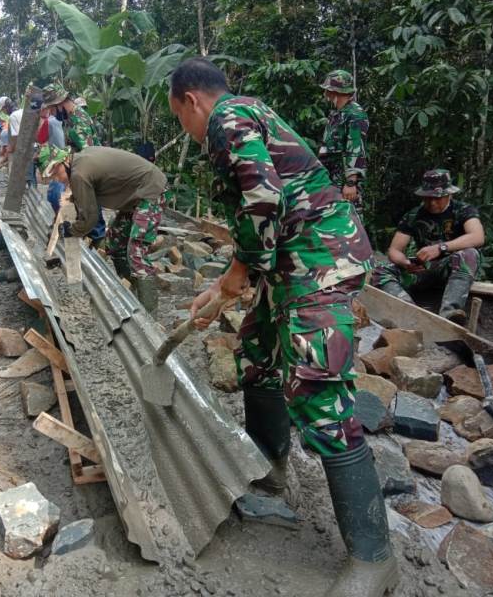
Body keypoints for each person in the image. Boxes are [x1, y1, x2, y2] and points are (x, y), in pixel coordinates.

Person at [168, 58, 396, 597]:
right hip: (292, 262)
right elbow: (269, 204)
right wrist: (228, 281)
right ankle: (269, 469)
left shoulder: (228, 119)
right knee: (258, 352)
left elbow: (264, 199)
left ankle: (374, 558)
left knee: (316, 389)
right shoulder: (246, 112)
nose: (186, 128)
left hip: (321, 261)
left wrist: (237, 271)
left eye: (180, 117)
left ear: (190, 101)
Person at [40, 145, 166, 312]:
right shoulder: (79, 161)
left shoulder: (79, 174)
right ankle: (131, 290)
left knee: (136, 252)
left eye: (56, 173)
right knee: (114, 244)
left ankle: (149, 314)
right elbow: (84, 201)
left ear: (64, 162)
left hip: (151, 191)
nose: (57, 179)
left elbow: (90, 219)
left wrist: (72, 230)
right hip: (137, 195)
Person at [371, 169, 484, 324]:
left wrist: (440, 248)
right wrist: (405, 263)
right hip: (424, 270)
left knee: (469, 254)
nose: (432, 202)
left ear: (449, 194)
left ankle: (449, 314)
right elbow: (394, 250)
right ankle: (408, 310)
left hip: (454, 269)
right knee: (381, 269)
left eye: (438, 198)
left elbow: (477, 237)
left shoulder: (464, 210)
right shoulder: (414, 215)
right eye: (428, 198)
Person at [42, 83, 107, 244]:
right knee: (59, 196)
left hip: (89, 169)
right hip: (79, 166)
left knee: (90, 205)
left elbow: (88, 155)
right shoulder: (68, 119)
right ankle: (86, 233)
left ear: (60, 104)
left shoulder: (79, 120)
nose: (51, 113)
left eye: (52, 109)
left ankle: (97, 240)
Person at [318, 70, 369, 211]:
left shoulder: (355, 114)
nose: (325, 95)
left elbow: (356, 148)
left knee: (349, 219)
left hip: (344, 180)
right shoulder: (337, 114)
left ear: (335, 92)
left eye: (327, 91)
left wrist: (351, 183)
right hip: (331, 177)